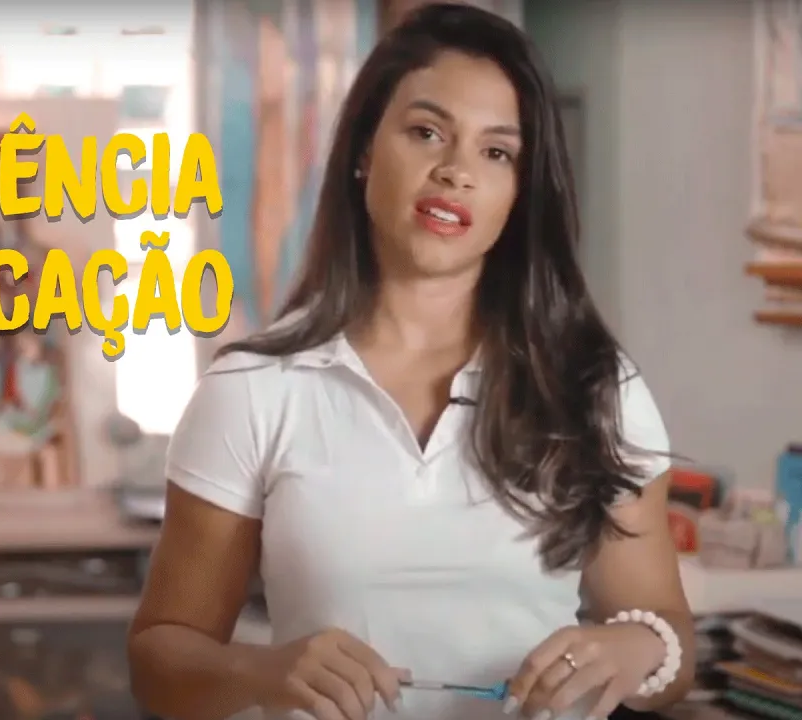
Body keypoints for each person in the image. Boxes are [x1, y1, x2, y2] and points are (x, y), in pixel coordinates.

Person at [126, 5, 693, 720]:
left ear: (520, 194)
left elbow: (671, 637)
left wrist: (635, 649)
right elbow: (159, 662)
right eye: (427, 132)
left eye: (497, 153)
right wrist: (263, 670)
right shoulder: (251, 390)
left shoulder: (594, 385)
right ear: (364, 149)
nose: (456, 171)